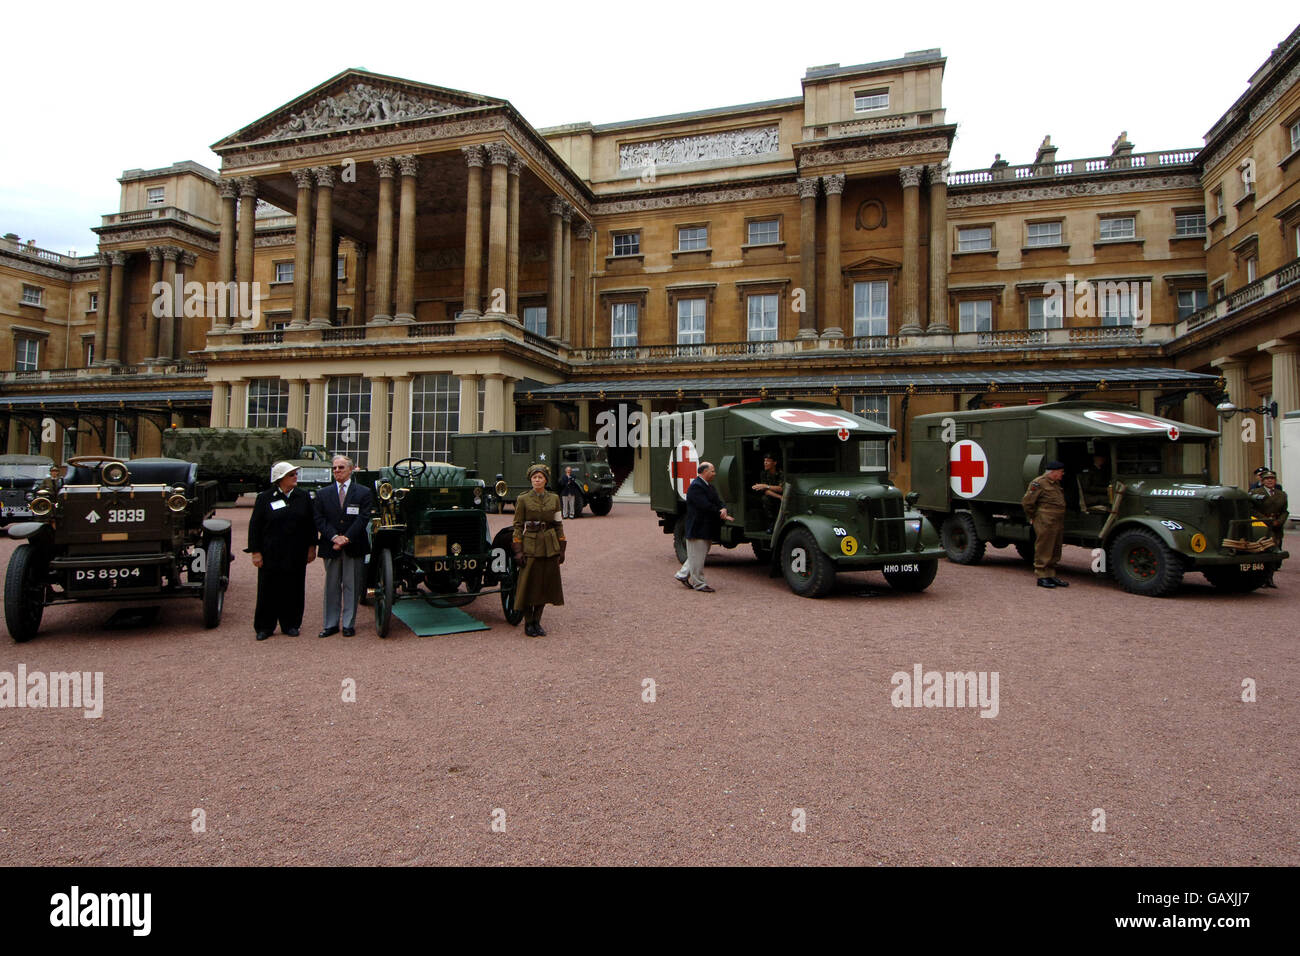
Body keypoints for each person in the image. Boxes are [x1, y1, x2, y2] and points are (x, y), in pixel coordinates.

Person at [247, 461, 317, 640]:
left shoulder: (303, 497)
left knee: (293, 588)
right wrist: (256, 551)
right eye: (291, 475)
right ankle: (264, 626)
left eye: (295, 474)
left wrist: (311, 547)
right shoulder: (265, 498)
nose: (295, 477)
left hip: (296, 553)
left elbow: (310, 524)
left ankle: (291, 624)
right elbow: (255, 526)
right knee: (267, 590)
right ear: (280, 478)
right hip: (270, 553)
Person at [313, 455, 373, 637]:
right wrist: (334, 537)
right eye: (334, 468)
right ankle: (330, 624)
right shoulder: (323, 494)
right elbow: (319, 518)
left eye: (341, 468)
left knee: (351, 585)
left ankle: (348, 624)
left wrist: (346, 538)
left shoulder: (363, 492)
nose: (337, 471)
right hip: (331, 546)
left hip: (354, 545)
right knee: (331, 586)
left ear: (350, 470)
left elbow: (363, 518)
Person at [512, 463, 566, 636]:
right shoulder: (523, 499)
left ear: (545, 480)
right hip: (530, 545)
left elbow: (558, 523)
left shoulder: (555, 499)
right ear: (531, 480)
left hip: (549, 547)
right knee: (528, 585)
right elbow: (518, 526)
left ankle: (537, 621)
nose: (537, 480)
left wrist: (562, 547)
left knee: (545, 586)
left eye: (540, 477)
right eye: (534, 477)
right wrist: (518, 550)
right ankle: (528, 622)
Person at [675, 460, 731, 593]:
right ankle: (699, 583)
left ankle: (682, 574)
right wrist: (720, 513)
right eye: (712, 471)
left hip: (705, 528)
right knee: (698, 557)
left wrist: (723, 508)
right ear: (705, 472)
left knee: (697, 555)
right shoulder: (696, 487)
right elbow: (704, 506)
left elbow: (718, 501)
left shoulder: (708, 486)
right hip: (697, 528)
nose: (714, 473)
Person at [1022, 459, 1068, 589]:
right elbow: (1027, 502)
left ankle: (1051, 574)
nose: (1062, 474)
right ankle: (1042, 576)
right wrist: (1034, 517)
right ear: (1053, 472)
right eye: (1060, 472)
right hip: (1045, 520)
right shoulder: (1039, 483)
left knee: (1055, 548)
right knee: (1044, 548)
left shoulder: (1055, 483)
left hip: (1056, 521)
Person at [1250, 469, 1288, 588]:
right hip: (1262, 526)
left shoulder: (1281, 494)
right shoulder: (1255, 492)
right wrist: (1265, 520)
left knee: (1275, 553)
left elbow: (1284, 511)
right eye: (1267, 479)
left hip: (1277, 527)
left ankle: (1270, 578)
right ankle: (1263, 578)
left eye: (1272, 479)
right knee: (1264, 551)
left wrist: (1279, 522)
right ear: (1262, 481)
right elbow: (1252, 510)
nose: (1270, 481)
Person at [751, 452, 784, 530]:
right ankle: (771, 523)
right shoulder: (764, 474)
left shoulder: (780, 473)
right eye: (764, 461)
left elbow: (781, 488)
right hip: (774, 497)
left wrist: (766, 486)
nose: (765, 463)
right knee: (765, 498)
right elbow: (765, 491)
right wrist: (779, 496)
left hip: (782, 497)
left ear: (774, 463)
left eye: (768, 461)